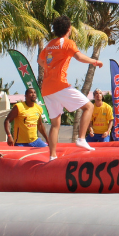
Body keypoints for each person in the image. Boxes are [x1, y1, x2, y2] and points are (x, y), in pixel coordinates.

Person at [38, 15, 103, 161]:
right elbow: (79, 57)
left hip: (47, 89)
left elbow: (40, 60)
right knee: (88, 107)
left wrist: (50, 68)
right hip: (59, 85)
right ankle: (80, 138)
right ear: (69, 29)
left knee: (55, 124)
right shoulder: (67, 43)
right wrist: (95, 62)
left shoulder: (49, 44)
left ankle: (52, 156)